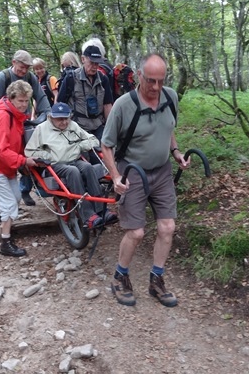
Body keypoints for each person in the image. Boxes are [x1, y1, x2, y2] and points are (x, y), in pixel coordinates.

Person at [100, 53, 189, 308]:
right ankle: (120, 276)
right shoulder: (123, 106)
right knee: (136, 232)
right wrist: (116, 176)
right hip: (133, 170)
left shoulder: (170, 97)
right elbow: (106, 146)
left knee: (167, 227)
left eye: (161, 81)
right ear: (139, 76)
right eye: (151, 80)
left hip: (161, 170)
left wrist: (176, 152)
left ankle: (156, 280)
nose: (156, 87)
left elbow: (168, 128)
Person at [0, 80, 42, 257]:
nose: (23, 105)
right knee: (10, 206)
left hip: (6, 167)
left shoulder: (16, 116)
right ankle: (5, 242)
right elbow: (0, 149)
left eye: (26, 101)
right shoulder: (3, 116)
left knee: (16, 196)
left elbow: (15, 143)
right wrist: (24, 161)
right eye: (20, 100)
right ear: (11, 98)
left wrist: (22, 161)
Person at [24, 102, 117, 228]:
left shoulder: (73, 126)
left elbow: (93, 140)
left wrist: (80, 145)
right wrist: (48, 155)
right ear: (51, 117)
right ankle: (88, 215)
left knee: (88, 167)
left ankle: (102, 210)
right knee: (72, 171)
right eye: (59, 119)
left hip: (75, 160)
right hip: (55, 165)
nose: (63, 122)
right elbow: (29, 151)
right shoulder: (41, 129)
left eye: (66, 118)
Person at [0, 50, 51, 206]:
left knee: (27, 155)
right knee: (4, 155)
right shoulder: (3, 77)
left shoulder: (30, 78)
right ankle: (1, 196)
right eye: (21, 67)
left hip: (24, 122)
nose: (23, 71)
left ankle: (24, 190)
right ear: (14, 62)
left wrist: (48, 114)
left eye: (27, 68)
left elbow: (40, 97)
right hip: (5, 123)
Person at [56, 40, 114, 142]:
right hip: (77, 128)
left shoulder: (103, 79)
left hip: (98, 127)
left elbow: (107, 105)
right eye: (92, 62)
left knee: (105, 151)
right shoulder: (71, 78)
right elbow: (59, 104)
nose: (95, 66)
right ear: (83, 59)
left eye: (97, 63)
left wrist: (111, 129)